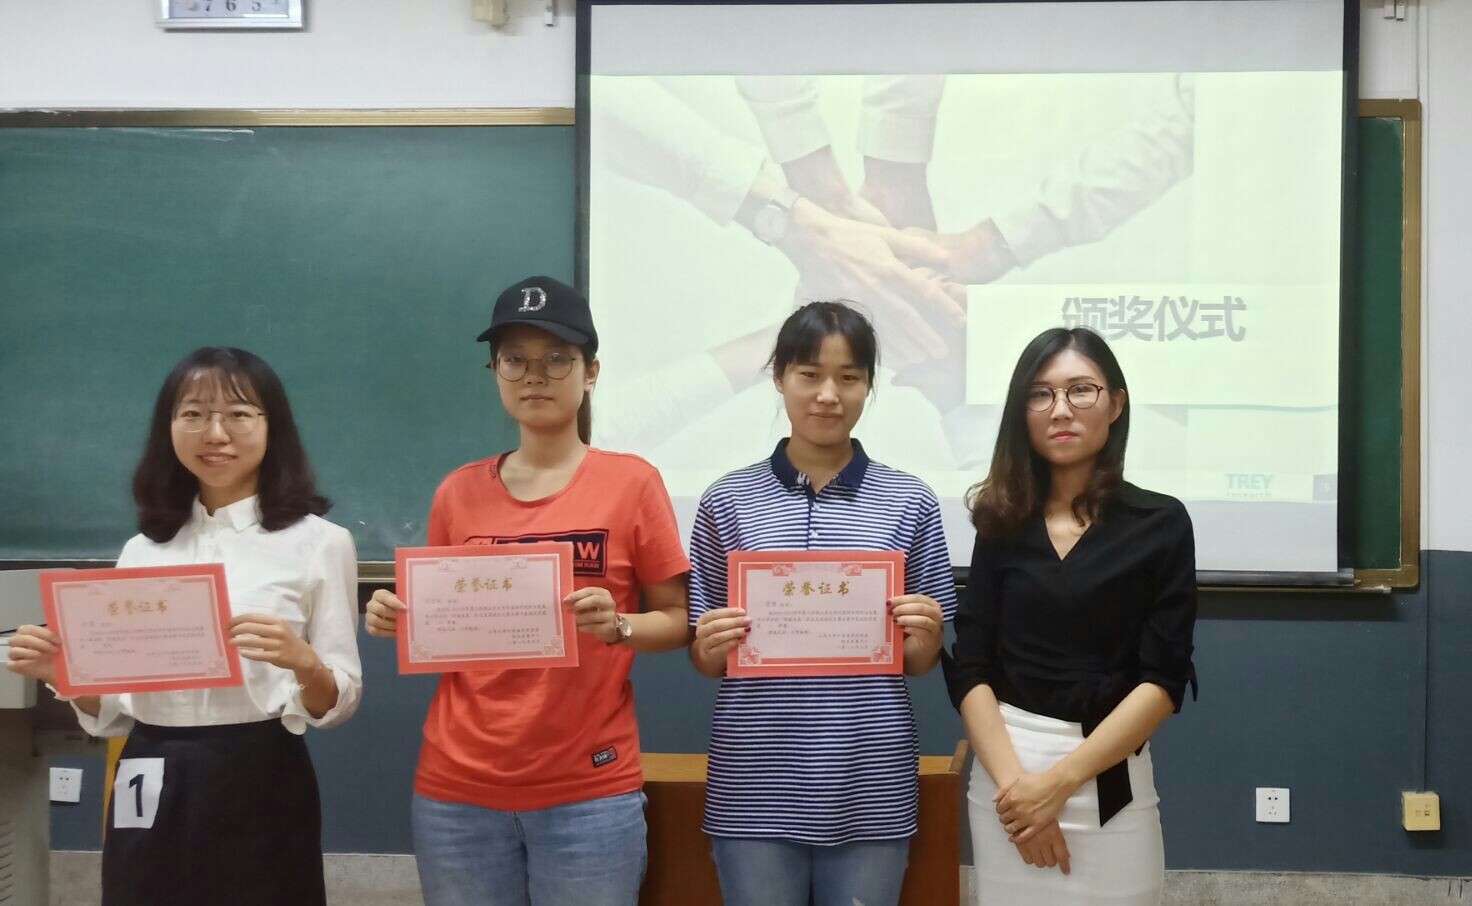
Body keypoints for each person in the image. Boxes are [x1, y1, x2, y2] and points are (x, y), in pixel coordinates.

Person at [363, 276, 691, 906]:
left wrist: (619, 626)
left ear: (591, 372)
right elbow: (442, 627)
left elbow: (678, 619)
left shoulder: (632, 483)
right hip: (457, 792)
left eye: (557, 359)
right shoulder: (457, 493)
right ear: (495, 371)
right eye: (515, 359)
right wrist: (397, 616)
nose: (534, 375)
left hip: (588, 793)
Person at [6, 346, 363, 906]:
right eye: (193, 414)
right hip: (149, 762)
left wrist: (305, 663)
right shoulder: (142, 550)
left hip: (260, 765)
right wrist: (63, 673)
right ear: (168, 427)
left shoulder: (320, 543)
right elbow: (114, 710)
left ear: (272, 426)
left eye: (238, 414)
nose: (214, 433)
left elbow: (339, 700)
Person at [687, 301, 957, 906]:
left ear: (870, 385)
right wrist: (708, 644)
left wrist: (927, 633)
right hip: (754, 779)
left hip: (871, 776)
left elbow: (919, 662)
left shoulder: (910, 501)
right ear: (779, 377)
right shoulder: (726, 501)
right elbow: (705, 661)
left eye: (849, 377)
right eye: (809, 374)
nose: (828, 395)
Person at [943, 326, 1198, 904]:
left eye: (1081, 390)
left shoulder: (1160, 523)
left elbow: (1163, 679)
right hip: (1006, 781)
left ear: (1116, 404)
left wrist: (1056, 787)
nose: (1060, 409)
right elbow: (972, 667)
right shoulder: (1001, 522)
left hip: (1107, 778)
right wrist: (1021, 795)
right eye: (1040, 394)